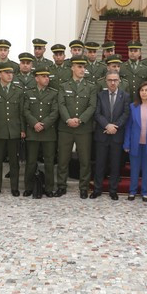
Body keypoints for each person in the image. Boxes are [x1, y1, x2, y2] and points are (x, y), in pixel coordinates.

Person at [55, 55, 97, 199]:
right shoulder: (64, 86)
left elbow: (92, 106)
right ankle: (61, 185)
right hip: (66, 128)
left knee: (85, 160)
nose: (82, 69)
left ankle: (83, 187)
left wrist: (80, 120)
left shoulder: (90, 86)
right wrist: (68, 119)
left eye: (83, 67)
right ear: (72, 67)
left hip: (83, 129)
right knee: (63, 159)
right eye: (79, 66)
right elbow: (61, 105)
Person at [0, 62, 25, 197]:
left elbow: (21, 112)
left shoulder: (18, 90)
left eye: (11, 73)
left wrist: (22, 129)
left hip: (14, 131)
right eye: (7, 73)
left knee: (14, 161)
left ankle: (14, 187)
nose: (10, 75)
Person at [91, 70, 130, 200]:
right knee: (100, 164)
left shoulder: (125, 96)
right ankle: (97, 189)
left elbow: (125, 114)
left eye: (115, 80)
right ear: (106, 81)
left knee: (115, 164)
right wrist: (107, 125)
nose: (112, 83)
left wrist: (115, 126)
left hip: (117, 135)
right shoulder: (100, 95)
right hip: (102, 134)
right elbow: (97, 113)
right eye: (110, 80)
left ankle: (113, 190)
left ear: (119, 81)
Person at [23, 65, 59, 198]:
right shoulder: (28, 93)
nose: (47, 79)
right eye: (43, 76)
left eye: (47, 76)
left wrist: (43, 124)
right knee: (31, 162)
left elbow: (55, 112)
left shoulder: (54, 93)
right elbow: (25, 110)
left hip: (48, 132)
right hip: (33, 132)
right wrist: (34, 124)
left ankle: (49, 188)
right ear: (36, 78)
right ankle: (29, 187)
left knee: (49, 162)